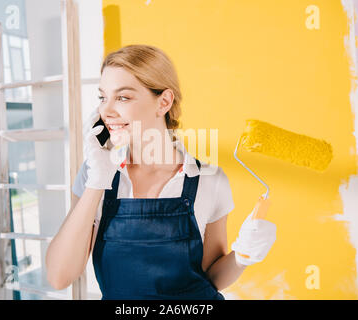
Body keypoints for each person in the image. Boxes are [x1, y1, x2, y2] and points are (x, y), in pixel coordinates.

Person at [45, 44, 276, 300]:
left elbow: (211, 279)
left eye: (122, 97)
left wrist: (242, 256)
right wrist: (97, 181)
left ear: (164, 101)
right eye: (103, 97)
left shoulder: (209, 180)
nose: (106, 111)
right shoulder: (95, 174)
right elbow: (59, 276)